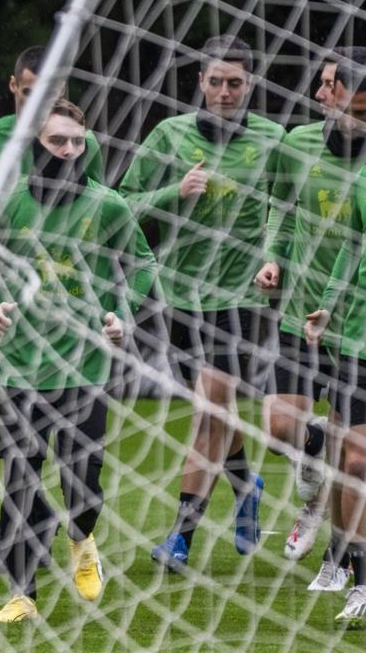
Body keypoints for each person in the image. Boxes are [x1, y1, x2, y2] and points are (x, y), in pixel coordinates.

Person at [0, 99, 156, 624]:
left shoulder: (108, 206)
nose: (69, 151)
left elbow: (143, 262)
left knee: (83, 481)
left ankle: (81, 538)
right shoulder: (6, 204)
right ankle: (22, 594)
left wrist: (122, 314)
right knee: (21, 478)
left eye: (77, 142)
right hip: (20, 365)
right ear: (35, 146)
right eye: (57, 142)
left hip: (86, 366)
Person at [118, 35, 285, 571]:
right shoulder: (170, 136)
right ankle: (246, 485)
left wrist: (272, 257)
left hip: (244, 297)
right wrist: (173, 193)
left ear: (250, 85)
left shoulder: (273, 141)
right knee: (217, 410)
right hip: (182, 295)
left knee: (208, 409)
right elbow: (122, 204)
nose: (225, 91)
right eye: (216, 81)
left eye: (235, 82)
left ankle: (180, 537)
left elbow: (291, 208)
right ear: (200, 83)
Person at [0, 45, 104, 567]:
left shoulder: (83, 147)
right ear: (14, 87)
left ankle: (30, 532)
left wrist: (109, 307)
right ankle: (21, 536)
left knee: (61, 455)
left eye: (55, 92)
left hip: (70, 323)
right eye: (32, 90)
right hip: (4, 316)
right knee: (20, 443)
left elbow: (100, 225)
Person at [254, 48, 366, 579]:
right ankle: (311, 447)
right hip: (300, 313)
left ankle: (341, 558)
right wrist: (273, 255)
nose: (319, 95)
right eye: (321, 83)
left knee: (356, 460)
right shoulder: (296, 144)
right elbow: (279, 204)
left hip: (354, 326)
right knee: (280, 428)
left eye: (330, 86)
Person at [0, 45, 104, 196]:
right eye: (30, 93)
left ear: (63, 89)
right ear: (13, 85)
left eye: (48, 94)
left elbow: (99, 207)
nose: (38, 103)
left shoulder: (84, 143)